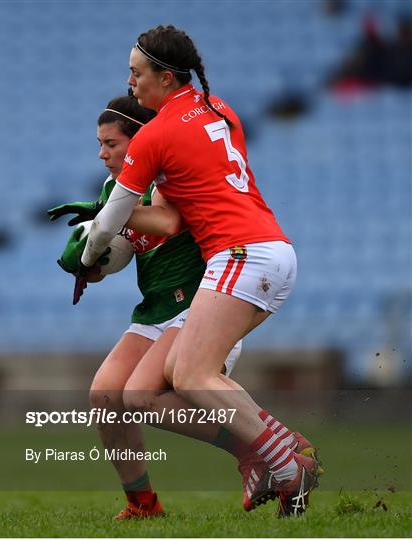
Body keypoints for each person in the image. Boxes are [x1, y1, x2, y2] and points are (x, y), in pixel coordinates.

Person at [73, 26, 322, 517]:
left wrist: (86, 256)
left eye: (138, 73)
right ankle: (279, 462)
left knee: (189, 374)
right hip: (264, 247)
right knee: (148, 389)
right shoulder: (218, 107)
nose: (131, 81)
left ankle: (288, 463)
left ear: (165, 77)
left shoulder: (156, 136)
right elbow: (170, 210)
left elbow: (109, 226)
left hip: (241, 253)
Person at [49, 95, 248, 519]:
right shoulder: (113, 190)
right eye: (99, 144)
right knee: (104, 395)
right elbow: (118, 253)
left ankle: (258, 447)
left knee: (139, 395)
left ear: (138, 141)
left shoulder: (172, 175)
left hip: (200, 306)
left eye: (111, 143)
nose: (101, 153)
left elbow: (165, 222)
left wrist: (106, 218)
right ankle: (143, 504)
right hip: (155, 311)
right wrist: (87, 265)